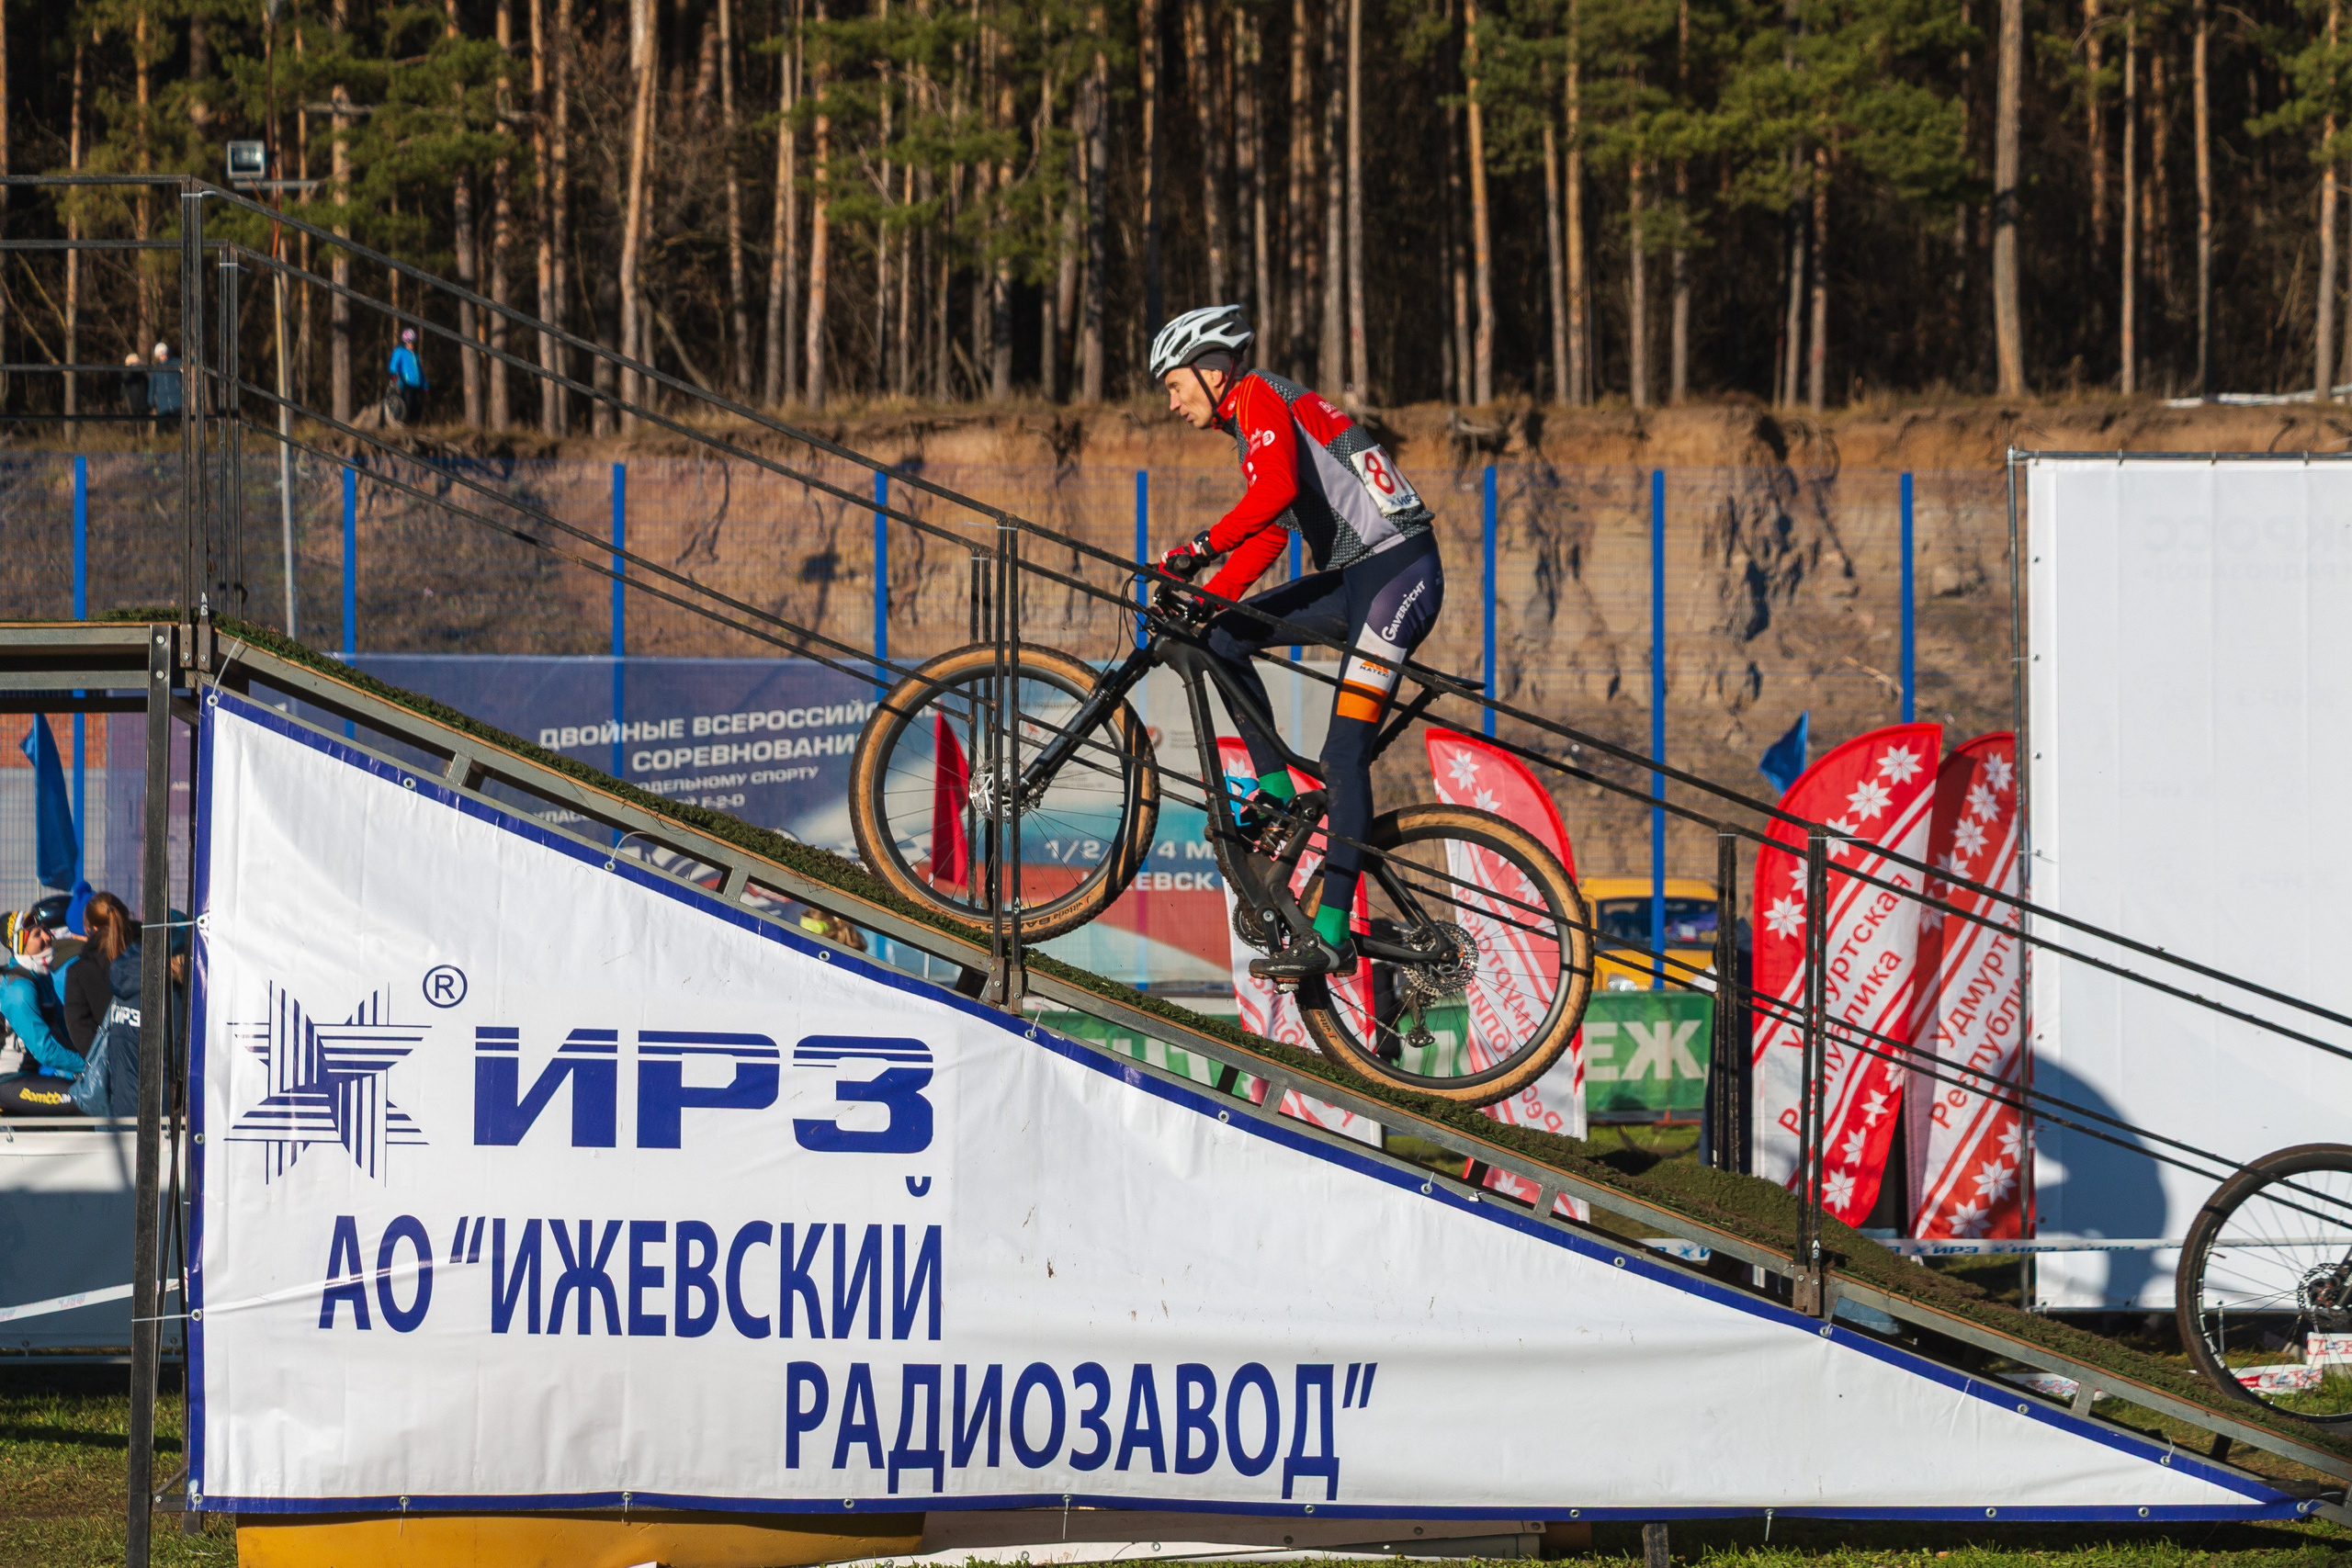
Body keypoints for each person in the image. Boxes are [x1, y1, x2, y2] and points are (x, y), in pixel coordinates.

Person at [1149, 303, 1444, 984]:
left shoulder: (1258, 397)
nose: (1171, 402)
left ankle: (1335, 932)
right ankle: (1278, 791)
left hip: (1398, 575)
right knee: (1223, 635)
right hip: (1356, 578)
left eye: (1174, 384)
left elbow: (1276, 493)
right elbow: (1274, 530)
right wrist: (1209, 594)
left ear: (1212, 370)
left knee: (1343, 754)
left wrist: (1195, 552)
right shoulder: (1257, 410)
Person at [0, 909, 85, 1114]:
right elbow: (45, 1052)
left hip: (28, 1074)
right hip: (8, 1080)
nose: (48, 937)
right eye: (37, 934)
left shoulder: (40, 976)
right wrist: (88, 1064)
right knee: (84, 1100)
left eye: (46, 930)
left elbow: (63, 1031)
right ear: (20, 944)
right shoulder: (19, 989)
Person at [62, 892, 131, 1055]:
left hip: (113, 1066)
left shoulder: (79, 971)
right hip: (157, 1062)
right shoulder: (146, 953)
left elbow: (79, 1030)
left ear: (90, 928)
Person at [389, 327, 430, 424]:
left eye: (413, 342)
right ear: (405, 342)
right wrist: (394, 375)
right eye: (409, 342)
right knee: (407, 405)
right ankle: (405, 426)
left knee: (418, 406)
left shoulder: (415, 355)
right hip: (406, 385)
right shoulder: (400, 351)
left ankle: (414, 427)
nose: (411, 344)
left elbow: (420, 371)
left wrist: (426, 386)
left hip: (417, 385)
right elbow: (393, 365)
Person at [149, 342, 183, 431]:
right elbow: (152, 386)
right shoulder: (155, 369)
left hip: (177, 402)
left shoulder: (176, 363)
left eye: (164, 353)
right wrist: (151, 401)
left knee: (177, 427)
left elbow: (189, 361)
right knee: (163, 429)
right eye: (161, 354)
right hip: (162, 404)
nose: (163, 355)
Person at [120, 353, 150, 419]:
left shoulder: (142, 374)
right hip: (132, 403)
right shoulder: (127, 373)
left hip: (141, 403)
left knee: (142, 422)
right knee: (133, 422)